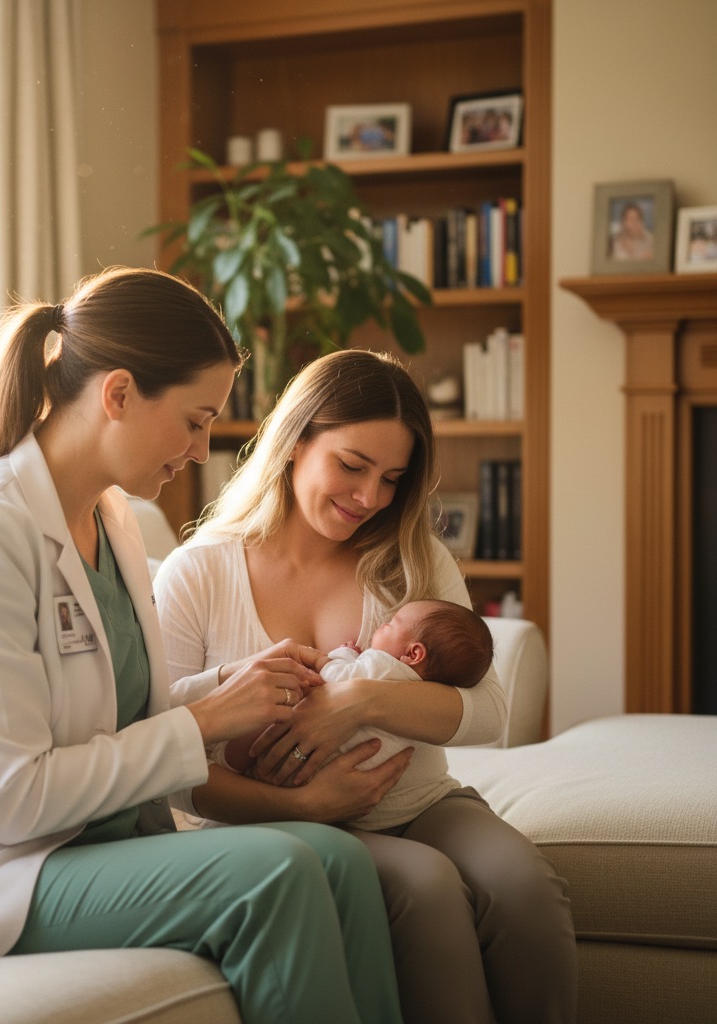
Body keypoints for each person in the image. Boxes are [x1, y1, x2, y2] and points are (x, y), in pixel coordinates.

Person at [0, 267, 402, 1024]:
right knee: (280, 875)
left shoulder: (112, 520)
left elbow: (107, 718)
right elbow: (15, 799)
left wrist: (230, 689)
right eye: (195, 421)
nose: (202, 451)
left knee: (340, 862)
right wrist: (204, 722)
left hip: (77, 847)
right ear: (119, 394)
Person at [155, 348, 577, 1024]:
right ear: (296, 441)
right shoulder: (197, 574)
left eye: (392, 479)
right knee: (425, 886)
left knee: (522, 885)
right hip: (266, 818)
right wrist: (302, 803)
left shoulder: (411, 556)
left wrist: (358, 700)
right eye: (352, 466)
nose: (371, 498)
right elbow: (169, 762)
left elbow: (489, 712)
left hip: (419, 801)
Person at [214, 600, 494, 832]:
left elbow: (338, 677)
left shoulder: (383, 665)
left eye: (391, 624)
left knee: (266, 727)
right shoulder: (425, 691)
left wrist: (338, 656)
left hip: (327, 772)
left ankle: (226, 761)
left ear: (413, 653)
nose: (381, 625)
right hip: (366, 790)